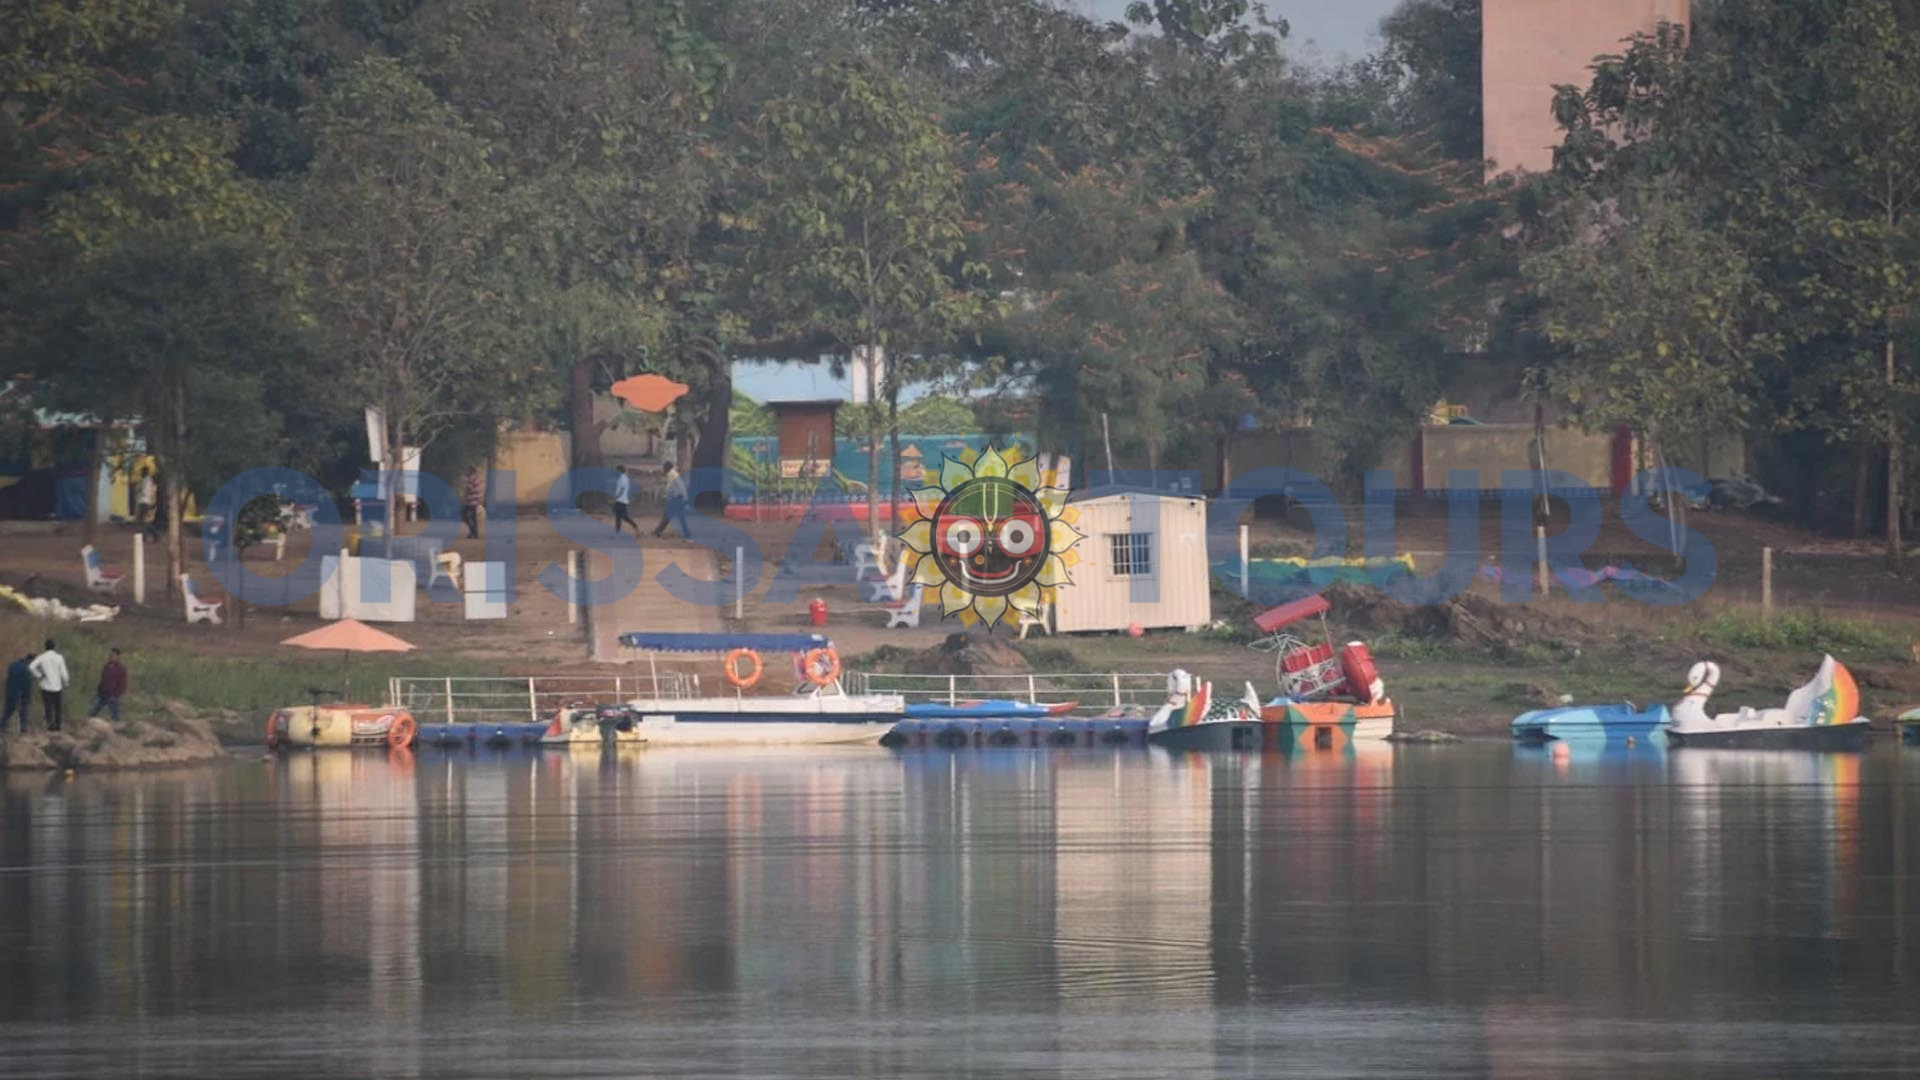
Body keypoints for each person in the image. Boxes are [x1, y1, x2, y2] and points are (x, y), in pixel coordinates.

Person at [28, 639, 69, 733]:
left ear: (45, 647)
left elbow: (31, 667)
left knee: (48, 707)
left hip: (46, 686)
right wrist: (66, 683)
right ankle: (58, 726)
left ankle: (50, 725)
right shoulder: (59, 657)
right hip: (57, 686)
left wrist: (39, 675)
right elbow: (64, 673)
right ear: (54, 646)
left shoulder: (41, 657)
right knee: (58, 707)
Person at [89, 648, 127, 723]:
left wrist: (115, 695)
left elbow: (122, 685)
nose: (111, 656)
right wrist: (99, 690)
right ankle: (89, 723)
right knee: (93, 710)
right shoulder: (106, 666)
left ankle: (118, 727)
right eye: (110, 655)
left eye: (113, 655)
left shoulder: (120, 669)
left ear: (118, 656)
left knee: (115, 715)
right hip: (102, 693)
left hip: (112, 695)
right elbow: (102, 679)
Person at [653, 461, 689, 538]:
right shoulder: (673, 473)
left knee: (672, 515)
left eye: (664, 468)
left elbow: (671, 487)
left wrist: (666, 496)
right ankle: (658, 531)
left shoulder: (671, 474)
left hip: (676, 498)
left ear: (667, 468)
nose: (663, 469)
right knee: (672, 515)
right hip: (678, 497)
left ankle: (658, 531)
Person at [3, 652, 32, 733]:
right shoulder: (26, 669)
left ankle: (2, 726)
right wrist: (27, 696)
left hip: (10, 691)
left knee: (8, 710)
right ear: (30, 660)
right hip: (20, 693)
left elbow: (8, 679)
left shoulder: (13, 665)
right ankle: (23, 729)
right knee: (23, 711)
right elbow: (26, 685)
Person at [611, 465, 638, 536]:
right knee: (620, 517)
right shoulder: (622, 478)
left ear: (620, 471)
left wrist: (616, 497)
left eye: (617, 471)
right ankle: (617, 533)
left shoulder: (623, 478)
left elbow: (622, 489)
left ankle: (634, 526)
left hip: (620, 500)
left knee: (621, 517)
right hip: (621, 500)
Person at [462, 466, 484, 539]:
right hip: (470, 501)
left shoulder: (473, 478)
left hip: (472, 502)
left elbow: (470, 488)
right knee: (471, 518)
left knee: (468, 517)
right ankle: (473, 533)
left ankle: (473, 533)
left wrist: (466, 481)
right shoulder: (473, 478)